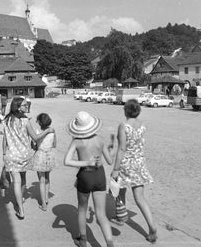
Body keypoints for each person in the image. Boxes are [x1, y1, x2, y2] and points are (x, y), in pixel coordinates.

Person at [64, 111, 116, 247]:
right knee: (101, 213)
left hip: (85, 176)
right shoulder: (99, 139)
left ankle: (83, 240)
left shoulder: (77, 141)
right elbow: (110, 161)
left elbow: (67, 161)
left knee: (82, 208)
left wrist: (86, 163)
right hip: (99, 175)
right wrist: (111, 149)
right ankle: (110, 244)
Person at [110, 99, 158, 243]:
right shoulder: (143, 125)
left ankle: (120, 217)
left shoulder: (123, 126)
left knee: (120, 190)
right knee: (140, 198)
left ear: (125, 110)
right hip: (139, 162)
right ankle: (151, 226)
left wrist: (115, 169)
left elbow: (122, 148)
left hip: (126, 163)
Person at [2, 97, 54, 220]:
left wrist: (4, 154)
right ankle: (21, 197)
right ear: (18, 107)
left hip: (11, 155)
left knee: (16, 181)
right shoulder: (25, 121)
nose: (27, 107)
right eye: (25, 105)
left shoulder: (6, 120)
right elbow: (35, 138)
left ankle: (20, 209)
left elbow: (4, 139)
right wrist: (48, 131)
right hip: (24, 155)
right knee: (23, 179)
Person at [28, 113, 56, 211]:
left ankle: (43, 204)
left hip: (40, 156)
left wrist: (35, 145)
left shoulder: (37, 132)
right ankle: (47, 198)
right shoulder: (52, 131)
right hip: (49, 156)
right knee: (48, 177)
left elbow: (34, 146)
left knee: (41, 180)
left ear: (40, 122)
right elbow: (54, 144)